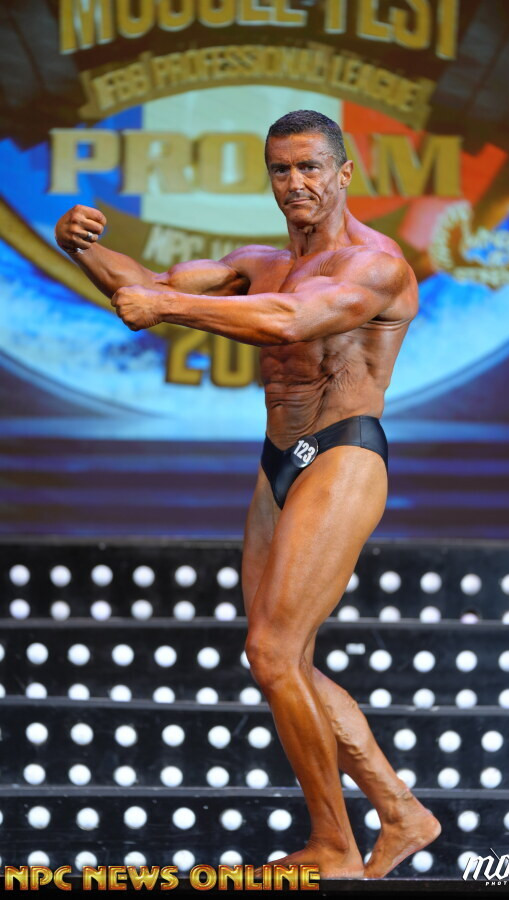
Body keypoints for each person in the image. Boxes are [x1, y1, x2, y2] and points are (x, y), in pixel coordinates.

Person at [55, 109, 440, 879]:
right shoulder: (257, 264)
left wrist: (167, 306)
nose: (295, 183)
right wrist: (84, 249)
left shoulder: (376, 266)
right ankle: (400, 812)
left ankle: (334, 847)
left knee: (272, 650)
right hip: (277, 463)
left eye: (310, 167)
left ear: (343, 174)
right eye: (281, 169)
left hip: (343, 453)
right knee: (283, 660)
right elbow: (146, 289)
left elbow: (291, 321)